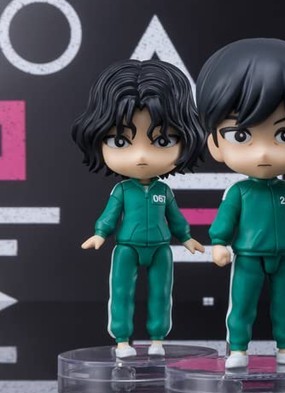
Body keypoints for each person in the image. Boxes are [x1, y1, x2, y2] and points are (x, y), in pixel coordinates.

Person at [196, 38, 285, 369]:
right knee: (242, 303)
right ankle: (238, 349)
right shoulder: (239, 192)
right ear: (216, 144)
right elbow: (225, 221)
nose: (263, 152)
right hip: (248, 256)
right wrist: (219, 243)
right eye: (241, 136)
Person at [72, 59, 205, 357]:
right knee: (121, 292)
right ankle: (122, 340)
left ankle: (157, 340)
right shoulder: (122, 190)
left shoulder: (163, 191)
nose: (142, 156)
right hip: (127, 247)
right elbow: (110, 215)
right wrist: (100, 233)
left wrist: (186, 237)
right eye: (121, 141)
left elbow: (175, 218)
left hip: (160, 247)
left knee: (161, 293)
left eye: (162, 140)